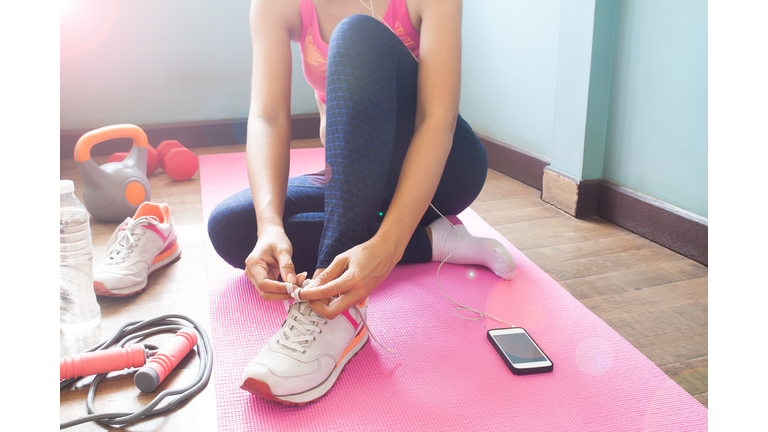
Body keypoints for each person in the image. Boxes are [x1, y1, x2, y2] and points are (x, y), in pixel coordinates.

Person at [207, 0, 515, 405]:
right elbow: (268, 118)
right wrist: (270, 225)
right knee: (233, 227)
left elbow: (435, 120)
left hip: (443, 173)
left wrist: (388, 245)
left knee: (357, 31)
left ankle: (334, 310)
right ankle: (432, 242)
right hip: (357, 177)